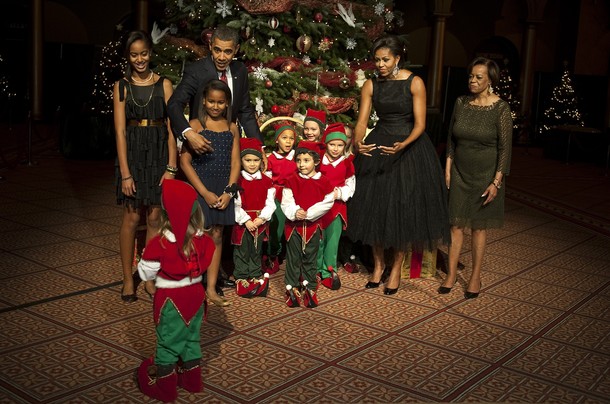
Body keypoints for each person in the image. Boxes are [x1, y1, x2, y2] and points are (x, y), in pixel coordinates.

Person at [347, 35, 450, 295]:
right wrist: (358, 142)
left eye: (385, 60)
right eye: (377, 60)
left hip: (409, 148)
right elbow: (362, 121)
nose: (380, 65)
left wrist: (404, 144)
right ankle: (378, 266)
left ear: (397, 58)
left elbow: (420, 124)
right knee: (375, 206)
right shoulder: (370, 85)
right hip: (379, 145)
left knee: (403, 208)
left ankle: (395, 269)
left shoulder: (415, 82)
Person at [439, 57, 512, 299]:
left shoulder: (501, 108)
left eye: (478, 77)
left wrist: (496, 182)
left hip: (486, 176)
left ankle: (475, 277)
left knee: (479, 228)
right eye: (471, 76)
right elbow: (451, 139)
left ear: (490, 80)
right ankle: (451, 274)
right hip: (459, 173)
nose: (472, 80)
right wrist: (448, 168)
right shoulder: (461, 103)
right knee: (456, 225)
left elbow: (505, 149)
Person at [136, 179, 215, 402]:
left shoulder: (160, 244)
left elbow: (146, 274)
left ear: (166, 213)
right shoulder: (204, 241)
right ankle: (192, 381)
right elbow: (208, 259)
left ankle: (166, 389)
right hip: (196, 295)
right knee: (191, 339)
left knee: (167, 343)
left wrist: (144, 258)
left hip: (171, 299)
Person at [113, 30, 177, 303]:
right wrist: (125, 173)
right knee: (131, 218)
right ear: (128, 57)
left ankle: (149, 276)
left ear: (150, 53)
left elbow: (172, 129)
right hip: (133, 155)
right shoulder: (121, 86)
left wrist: (171, 167)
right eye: (134, 55)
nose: (139, 59)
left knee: (154, 218)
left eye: (144, 54)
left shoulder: (165, 84)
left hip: (159, 153)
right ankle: (128, 279)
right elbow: (120, 132)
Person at [180, 79, 241, 307]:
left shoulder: (232, 127)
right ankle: (192, 285)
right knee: (198, 236)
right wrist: (204, 192)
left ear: (227, 104)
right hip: (201, 188)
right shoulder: (195, 125)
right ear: (204, 101)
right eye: (211, 101)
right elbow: (184, 162)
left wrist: (229, 192)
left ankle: (212, 288)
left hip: (223, 189)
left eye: (220, 102)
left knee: (217, 235)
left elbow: (235, 163)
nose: (215, 106)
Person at [167, 24, 262, 155]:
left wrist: (258, 147)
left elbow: (245, 112)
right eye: (217, 50)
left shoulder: (240, 70)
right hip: (201, 146)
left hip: (229, 148)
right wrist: (189, 133)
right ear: (210, 46)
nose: (221, 57)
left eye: (227, 52)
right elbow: (174, 104)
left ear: (236, 49)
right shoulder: (196, 71)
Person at [281, 141, 334, 308]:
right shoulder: (291, 180)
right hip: (294, 227)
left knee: (311, 258)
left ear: (316, 161)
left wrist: (310, 213)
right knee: (293, 258)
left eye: (306, 160)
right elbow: (286, 201)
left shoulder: (324, 181)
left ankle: (310, 286)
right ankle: (292, 287)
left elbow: (328, 202)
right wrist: (295, 211)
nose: (301, 164)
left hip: (313, 226)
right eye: (298, 160)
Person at [231, 138, 276, 298]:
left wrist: (262, 218)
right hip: (243, 223)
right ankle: (241, 276)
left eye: (256, 160)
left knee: (256, 250)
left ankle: (255, 274)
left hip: (259, 222)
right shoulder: (237, 181)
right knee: (242, 250)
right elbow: (235, 204)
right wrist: (246, 220)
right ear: (241, 160)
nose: (252, 164)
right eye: (248, 160)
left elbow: (270, 203)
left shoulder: (267, 181)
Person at [317, 123, 356, 289]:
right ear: (326, 143)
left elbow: (350, 186)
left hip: (336, 208)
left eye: (340, 145)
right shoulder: (318, 160)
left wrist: (338, 193)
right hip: (317, 207)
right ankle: (315, 270)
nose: (335, 149)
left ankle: (328, 270)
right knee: (317, 239)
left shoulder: (347, 164)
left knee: (332, 241)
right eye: (332, 144)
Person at [263, 124, 298, 274]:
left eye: (291, 138)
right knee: (276, 228)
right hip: (276, 195)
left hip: (294, 195)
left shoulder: (297, 157)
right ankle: (273, 255)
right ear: (277, 140)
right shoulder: (270, 159)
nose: (288, 141)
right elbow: (267, 180)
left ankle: (294, 256)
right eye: (284, 138)